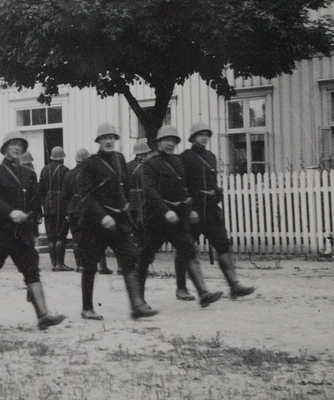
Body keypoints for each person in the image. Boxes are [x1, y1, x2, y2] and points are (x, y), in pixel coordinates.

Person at [0, 131, 66, 330]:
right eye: (12, 144)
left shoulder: (29, 174)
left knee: (32, 271)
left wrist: (34, 222)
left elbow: (35, 201)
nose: (16, 148)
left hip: (22, 234)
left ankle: (43, 315)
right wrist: (11, 212)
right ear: (4, 148)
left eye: (20, 145)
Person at [74, 123, 157, 320]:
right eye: (105, 138)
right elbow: (85, 195)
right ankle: (87, 308)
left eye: (112, 137)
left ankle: (136, 305)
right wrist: (102, 216)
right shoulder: (90, 164)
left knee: (129, 259)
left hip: (118, 221)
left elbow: (125, 186)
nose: (109, 141)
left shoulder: (120, 159)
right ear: (98, 141)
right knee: (90, 265)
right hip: (95, 224)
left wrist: (126, 204)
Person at [137, 125, 224, 308]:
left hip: (177, 218)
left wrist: (189, 208)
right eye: (166, 140)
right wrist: (164, 211)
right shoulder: (149, 164)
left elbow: (184, 188)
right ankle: (139, 300)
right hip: (156, 218)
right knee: (145, 256)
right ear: (159, 142)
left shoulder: (178, 162)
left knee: (188, 250)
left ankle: (203, 294)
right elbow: (150, 192)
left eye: (173, 141)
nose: (170, 144)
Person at [182, 122, 255, 300]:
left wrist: (217, 192)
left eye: (207, 134)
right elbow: (181, 185)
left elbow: (213, 181)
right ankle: (183, 288)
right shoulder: (185, 157)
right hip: (194, 209)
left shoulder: (211, 156)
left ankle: (234, 285)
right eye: (200, 134)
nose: (204, 137)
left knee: (223, 245)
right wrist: (188, 208)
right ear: (192, 137)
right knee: (186, 248)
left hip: (211, 209)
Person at [38, 147, 73, 271]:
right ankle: (60, 264)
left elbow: (40, 190)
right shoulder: (65, 170)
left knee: (50, 236)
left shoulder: (44, 170)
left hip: (47, 205)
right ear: (62, 158)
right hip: (61, 205)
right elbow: (68, 190)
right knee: (60, 236)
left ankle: (53, 264)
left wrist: (44, 203)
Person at [61, 148, 90, 271]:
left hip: (72, 209)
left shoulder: (68, 174)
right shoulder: (89, 174)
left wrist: (66, 211)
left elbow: (64, 196)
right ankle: (86, 263)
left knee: (75, 238)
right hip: (86, 208)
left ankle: (79, 265)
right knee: (87, 237)